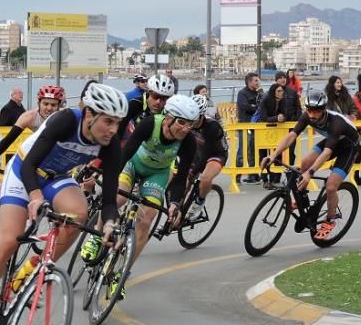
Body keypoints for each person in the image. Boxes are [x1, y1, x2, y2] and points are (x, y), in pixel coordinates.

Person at [0, 83, 128, 325]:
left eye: (117, 123)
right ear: (89, 114)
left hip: (56, 177)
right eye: (108, 121)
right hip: (25, 172)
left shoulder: (110, 147)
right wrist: (34, 197)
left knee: (79, 214)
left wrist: (109, 225)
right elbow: (28, 165)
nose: (113, 129)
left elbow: (108, 202)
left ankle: (32, 270)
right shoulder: (65, 120)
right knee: (9, 240)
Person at [82, 94, 199, 299]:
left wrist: (174, 204)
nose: (185, 129)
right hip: (132, 164)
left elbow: (180, 179)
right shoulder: (150, 124)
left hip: (157, 174)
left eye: (190, 125)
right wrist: (109, 176)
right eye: (181, 122)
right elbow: (125, 153)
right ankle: (96, 236)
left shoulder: (188, 141)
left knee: (147, 219)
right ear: (169, 118)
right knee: (119, 198)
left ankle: (121, 273)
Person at [261, 90, 361, 240]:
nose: (312, 115)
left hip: (349, 147)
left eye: (316, 111)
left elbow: (327, 152)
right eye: (309, 110)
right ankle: (303, 199)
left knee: (331, 186)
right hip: (333, 141)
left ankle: (330, 219)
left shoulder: (336, 123)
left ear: (323, 109)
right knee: (305, 162)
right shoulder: (306, 116)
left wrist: (310, 173)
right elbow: (291, 136)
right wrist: (273, 155)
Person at [0, 85, 65, 165]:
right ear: (39, 103)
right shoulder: (29, 117)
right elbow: (8, 140)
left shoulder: (65, 118)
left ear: (59, 106)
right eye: (45, 104)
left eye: (53, 105)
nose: (49, 108)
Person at [184, 92, 229, 221]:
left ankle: (199, 203)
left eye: (195, 117)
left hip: (216, 154)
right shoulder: (187, 122)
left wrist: (193, 171)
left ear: (202, 115)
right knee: (182, 182)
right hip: (198, 153)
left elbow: (205, 155)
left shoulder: (212, 126)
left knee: (205, 178)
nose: (191, 120)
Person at [121, 72, 176, 138]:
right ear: (148, 93)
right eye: (155, 96)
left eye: (163, 98)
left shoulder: (170, 111)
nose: (158, 102)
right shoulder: (135, 103)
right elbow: (120, 127)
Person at [235, 72, 263, 183]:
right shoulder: (242, 93)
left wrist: (256, 106)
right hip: (245, 124)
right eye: (256, 80)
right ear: (249, 82)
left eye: (258, 80)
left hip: (257, 125)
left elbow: (263, 105)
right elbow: (245, 106)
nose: (258, 82)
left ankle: (253, 174)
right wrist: (256, 108)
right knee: (243, 150)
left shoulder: (259, 93)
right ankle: (237, 175)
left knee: (255, 150)